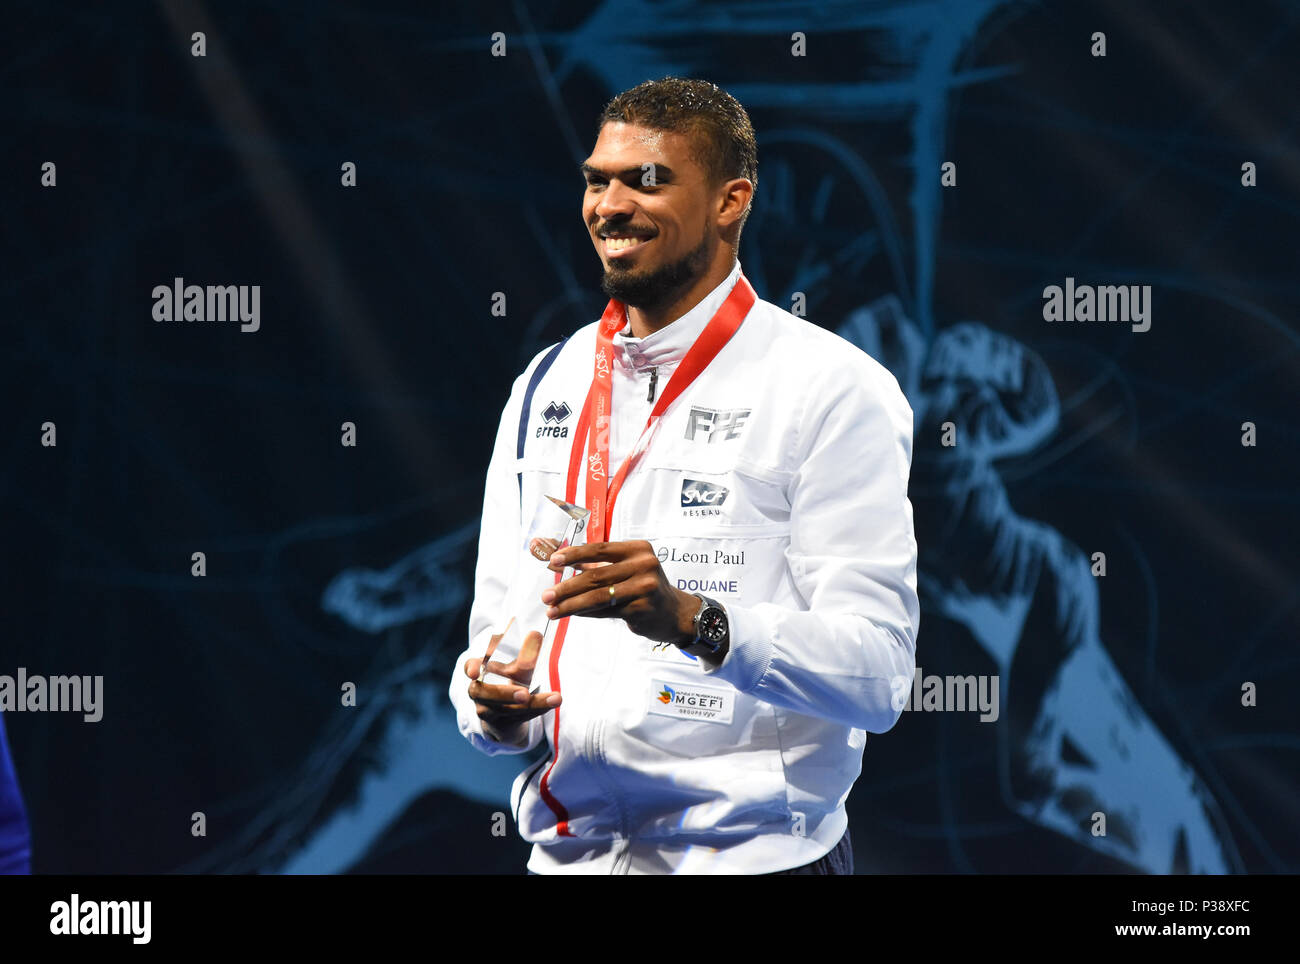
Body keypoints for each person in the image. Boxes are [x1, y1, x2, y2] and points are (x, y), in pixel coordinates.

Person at [449, 77, 919, 874]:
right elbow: (493, 637)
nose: (610, 205)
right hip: (570, 860)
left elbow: (877, 676)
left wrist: (692, 620)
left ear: (731, 201)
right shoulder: (545, 385)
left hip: (754, 861)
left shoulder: (830, 387)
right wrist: (491, 705)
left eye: (648, 180)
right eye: (598, 179)